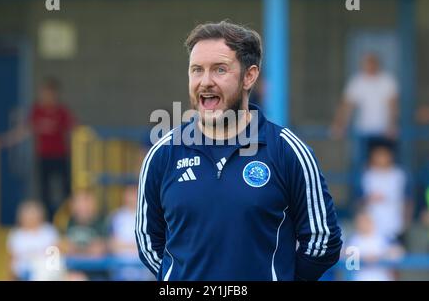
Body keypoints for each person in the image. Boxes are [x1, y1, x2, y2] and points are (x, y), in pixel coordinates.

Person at [135, 21, 342, 281]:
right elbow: (147, 243)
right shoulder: (162, 155)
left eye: (219, 70)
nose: (205, 81)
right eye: (196, 70)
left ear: (249, 76)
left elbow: (323, 242)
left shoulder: (288, 151)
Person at [3, 77, 76, 221]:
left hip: (61, 156)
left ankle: (70, 218)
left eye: (48, 93)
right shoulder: (37, 110)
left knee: (66, 189)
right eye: (43, 93)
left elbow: (75, 128)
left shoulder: (61, 111)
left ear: (54, 94)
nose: (45, 96)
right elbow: (25, 129)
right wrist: (7, 140)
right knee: (45, 191)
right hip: (43, 157)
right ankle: (48, 220)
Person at [331, 53, 399, 188]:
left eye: (371, 63)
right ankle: (364, 201)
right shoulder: (358, 81)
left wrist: (392, 126)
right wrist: (340, 125)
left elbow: (393, 105)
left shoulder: (387, 80)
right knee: (364, 169)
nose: (369, 66)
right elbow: (347, 105)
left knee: (388, 166)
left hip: (383, 133)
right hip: (363, 132)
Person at [360, 143, 412, 243]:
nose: (380, 158)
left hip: (395, 224)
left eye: (383, 155)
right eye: (377, 155)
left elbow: (408, 200)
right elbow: (360, 201)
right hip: (372, 225)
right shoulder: (367, 175)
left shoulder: (399, 174)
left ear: (390, 156)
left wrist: (406, 222)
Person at [108, 185, 154, 280]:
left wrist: (126, 246)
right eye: (129, 193)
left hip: (144, 270)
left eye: (134, 193)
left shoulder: (149, 216)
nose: (132, 197)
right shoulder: (116, 216)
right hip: (121, 269)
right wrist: (137, 246)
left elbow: (152, 245)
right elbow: (112, 245)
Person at [7, 199, 60, 280]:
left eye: (33, 214)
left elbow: (55, 256)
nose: (31, 217)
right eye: (27, 214)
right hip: (23, 272)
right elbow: (12, 260)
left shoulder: (49, 231)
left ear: (40, 216)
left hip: (46, 270)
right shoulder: (16, 235)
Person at [346, 210, 404, 281]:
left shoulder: (383, 237)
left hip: (381, 277)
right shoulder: (354, 239)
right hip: (361, 278)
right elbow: (349, 263)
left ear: (371, 221)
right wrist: (364, 259)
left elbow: (399, 252)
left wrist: (379, 257)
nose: (362, 224)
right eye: (359, 222)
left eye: (365, 221)